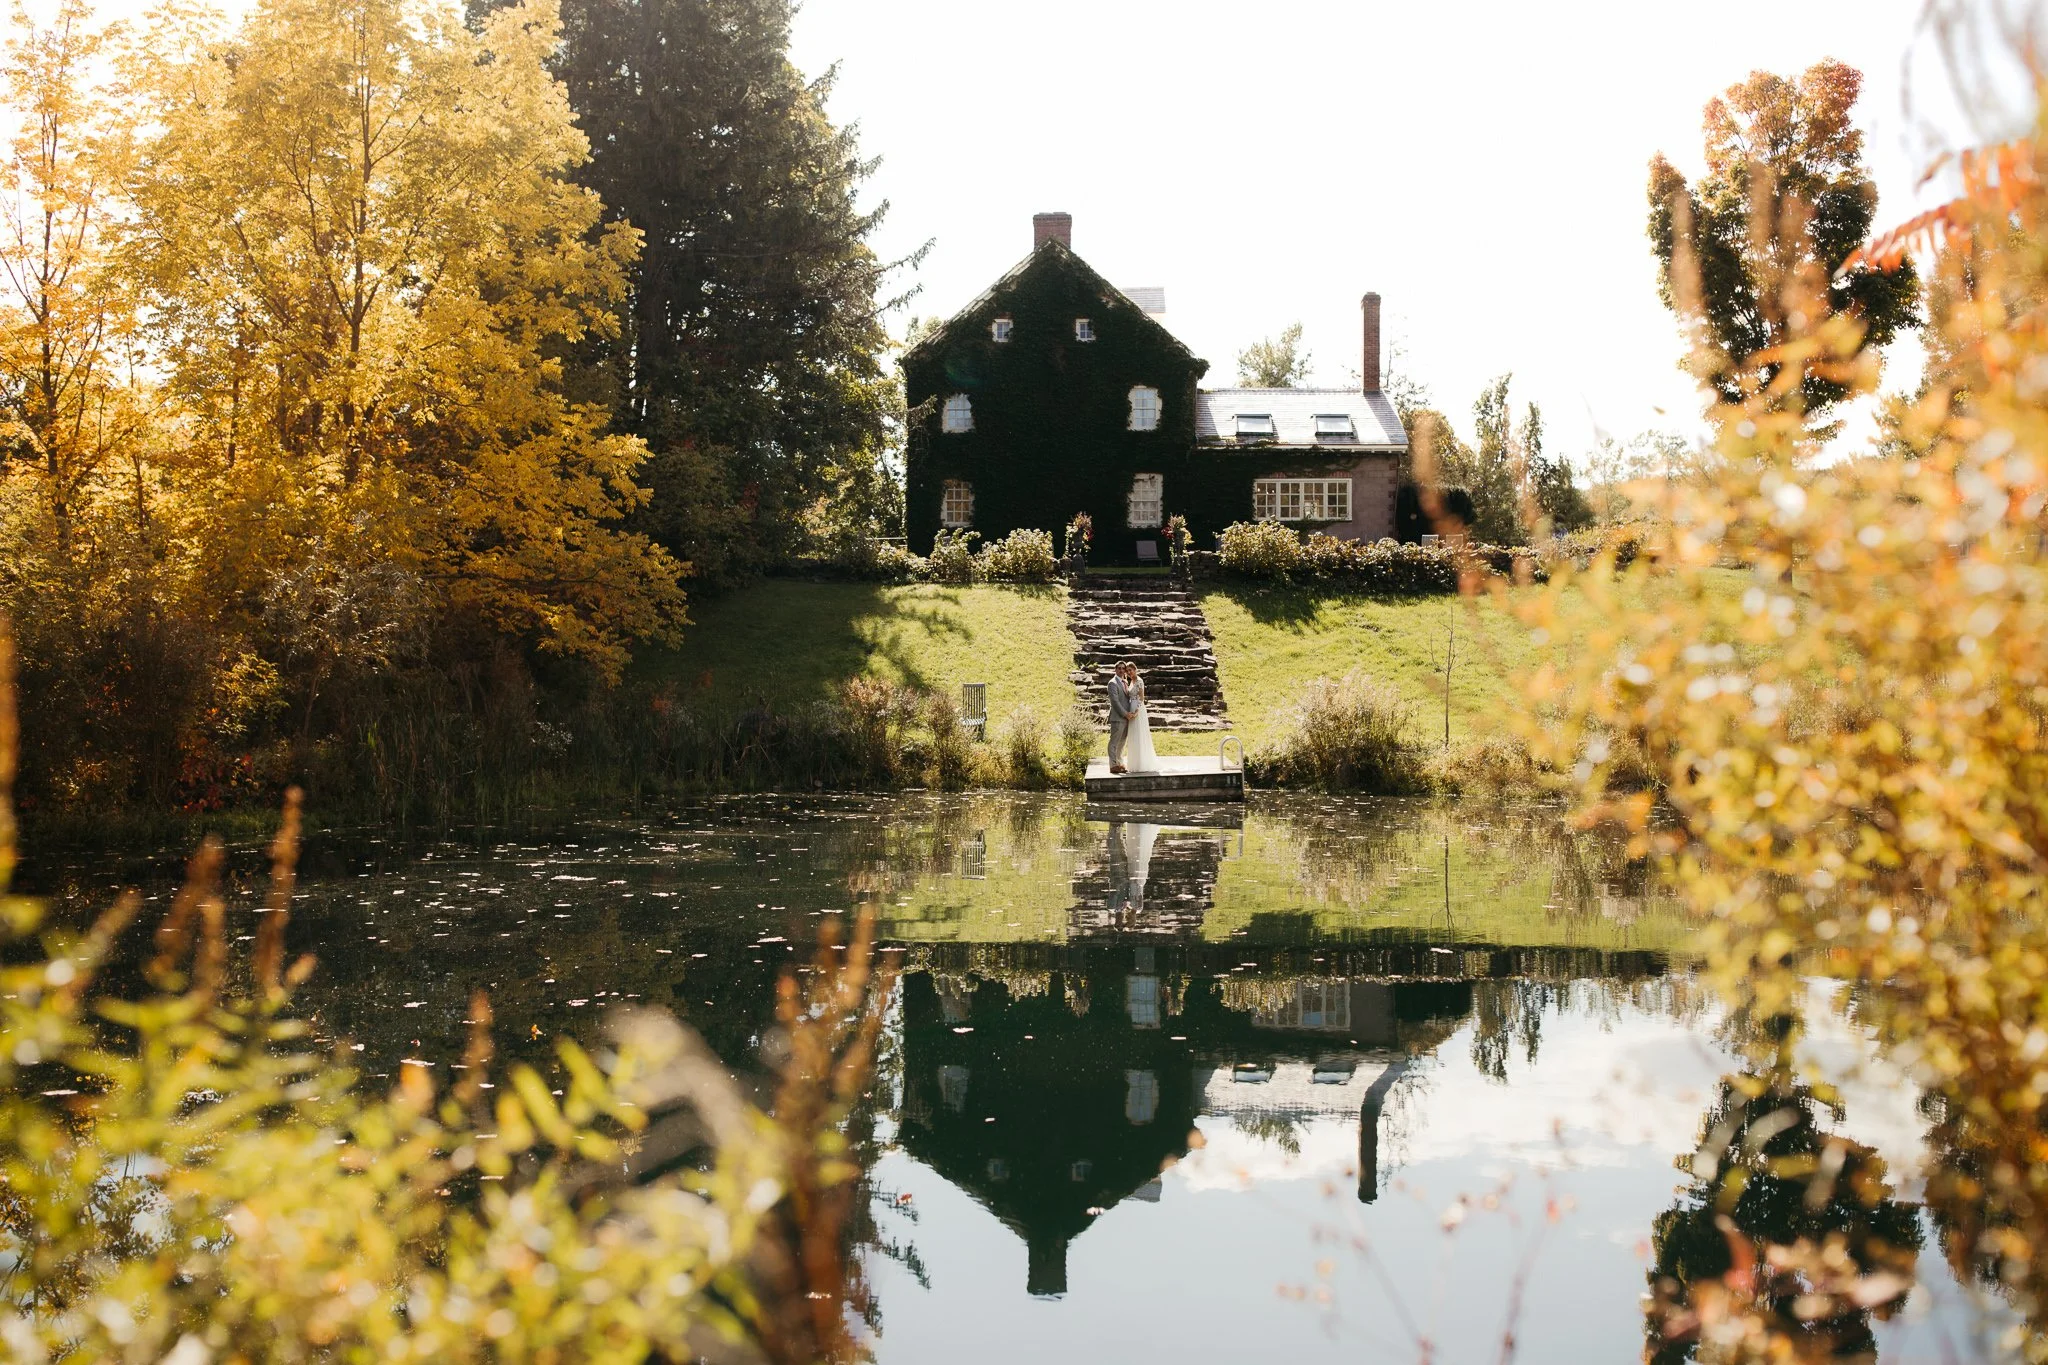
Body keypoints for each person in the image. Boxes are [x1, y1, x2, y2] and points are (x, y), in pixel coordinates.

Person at [1123, 664, 1160, 774]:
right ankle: (1134, 762)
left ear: (1135, 669)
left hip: (1138, 709)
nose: (1129, 672)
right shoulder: (1131, 681)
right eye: (1127, 671)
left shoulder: (1139, 681)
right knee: (1133, 734)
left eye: (1130, 670)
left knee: (1139, 733)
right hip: (1131, 707)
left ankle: (1141, 763)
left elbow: (1141, 698)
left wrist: (1136, 712)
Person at [1107, 660, 1136, 774]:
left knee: (1122, 742)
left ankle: (1119, 763)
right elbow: (1115, 702)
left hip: (1126, 718)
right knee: (1114, 742)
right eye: (1119, 668)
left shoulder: (1124, 681)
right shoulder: (1112, 683)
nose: (1121, 670)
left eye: (1123, 668)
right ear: (1115, 669)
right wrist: (1125, 714)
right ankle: (1113, 765)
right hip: (1118, 717)